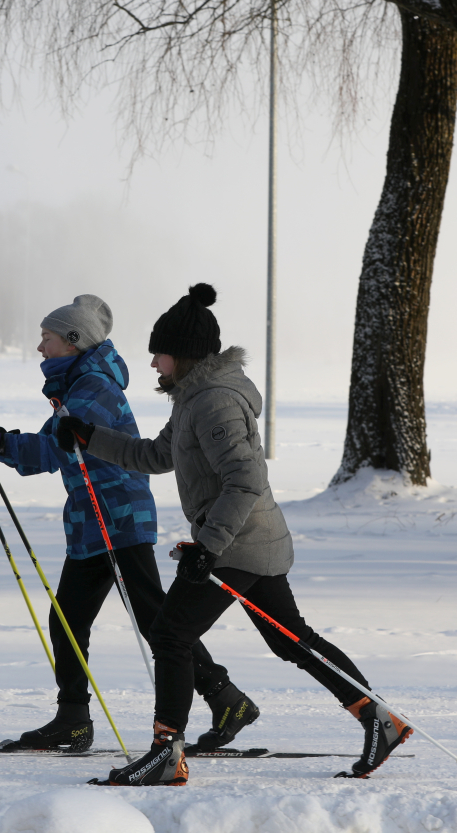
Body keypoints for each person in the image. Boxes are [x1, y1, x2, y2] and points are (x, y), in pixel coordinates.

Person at [58, 283, 410, 786]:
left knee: (171, 634)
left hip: (238, 544)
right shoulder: (192, 398)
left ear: (181, 354)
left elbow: (245, 481)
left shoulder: (215, 402)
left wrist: (208, 546)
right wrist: (91, 438)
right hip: (250, 541)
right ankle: (379, 719)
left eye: (159, 353)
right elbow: (157, 456)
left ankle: (166, 751)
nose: (154, 364)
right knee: (292, 640)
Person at [0, 294, 259, 754]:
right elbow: (56, 444)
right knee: (70, 619)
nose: (40, 349)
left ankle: (225, 698)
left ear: (72, 342)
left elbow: (52, 450)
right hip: (95, 520)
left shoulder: (92, 387)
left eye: (47, 339)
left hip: (117, 517)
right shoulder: (79, 382)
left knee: (156, 621)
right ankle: (73, 718)